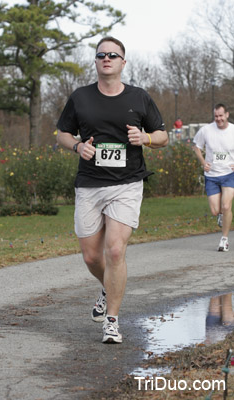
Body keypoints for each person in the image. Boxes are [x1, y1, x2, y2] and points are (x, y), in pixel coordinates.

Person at [56, 36, 168, 344]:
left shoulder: (139, 97)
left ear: (122, 62)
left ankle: (112, 321)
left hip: (126, 183)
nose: (107, 58)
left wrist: (145, 138)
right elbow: (62, 134)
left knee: (116, 250)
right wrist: (77, 146)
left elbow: (163, 136)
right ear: (95, 61)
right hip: (90, 184)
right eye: (101, 55)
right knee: (92, 256)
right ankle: (107, 287)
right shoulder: (80, 97)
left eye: (113, 55)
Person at [193, 103, 234, 252]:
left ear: (227, 115)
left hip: (229, 174)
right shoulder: (206, 130)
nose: (218, 119)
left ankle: (224, 239)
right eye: (216, 116)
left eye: (221, 116)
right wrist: (203, 162)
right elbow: (196, 146)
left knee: (226, 206)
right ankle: (221, 216)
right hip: (212, 175)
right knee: (215, 210)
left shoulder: (233, 131)